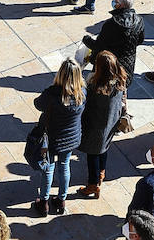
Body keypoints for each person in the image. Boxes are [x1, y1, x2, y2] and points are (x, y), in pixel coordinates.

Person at [31, 58, 85, 215]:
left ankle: (44, 203)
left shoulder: (52, 93)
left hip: (52, 139)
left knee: (48, 168)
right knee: (64, 165)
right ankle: (61, 200)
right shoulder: (82, 93)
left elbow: (38, 104)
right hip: (70, 139)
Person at [79, 51, 129, 199]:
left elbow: (85, 102)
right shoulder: (120, 80)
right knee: (104, 148)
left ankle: (93, 184)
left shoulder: (95, 84)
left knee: (92, 153)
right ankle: (101, 172)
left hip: (95, 123)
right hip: (111, 122)